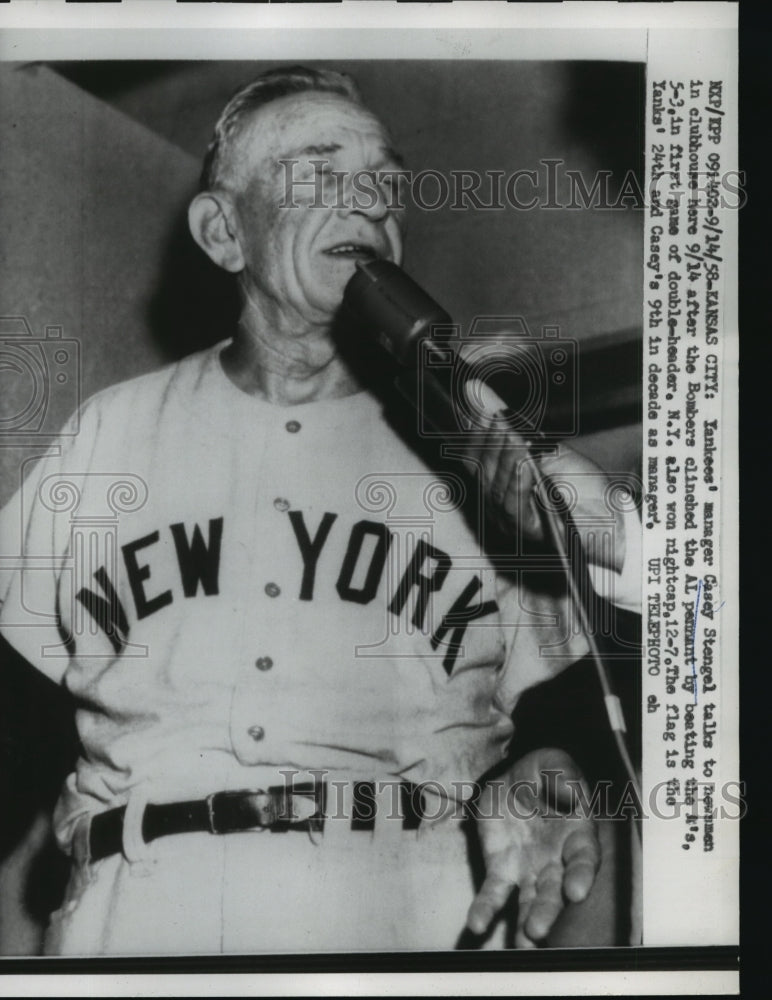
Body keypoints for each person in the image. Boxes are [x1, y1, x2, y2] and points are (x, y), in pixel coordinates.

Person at [0, 66, 640, 955]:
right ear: (225, 233)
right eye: (320, 172)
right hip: (145, 913)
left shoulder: (477, 449)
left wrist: (547, 756)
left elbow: (574, 693)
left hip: (413, 907)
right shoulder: (107, 434)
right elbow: (14, 712)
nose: (371, 202)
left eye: (386, 183)